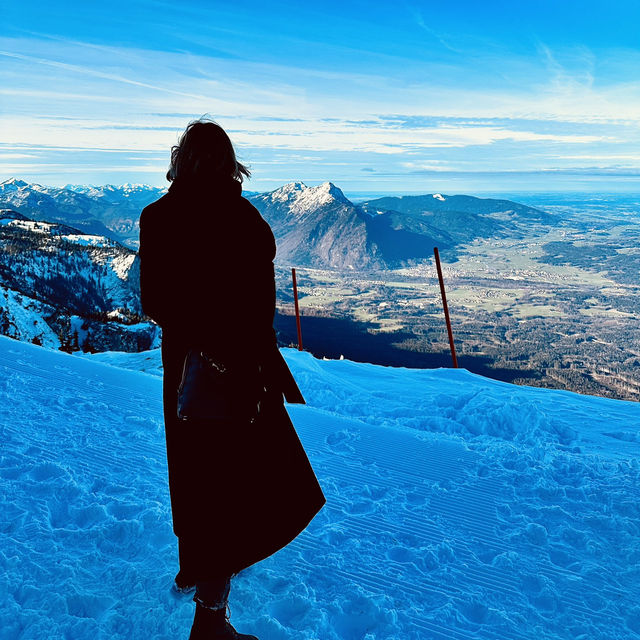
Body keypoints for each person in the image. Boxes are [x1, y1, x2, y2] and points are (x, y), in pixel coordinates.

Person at [138, 118, 326, 639]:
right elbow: (258, 310)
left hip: (184, 368)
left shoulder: (157, 217)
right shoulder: (247, 221)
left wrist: (197, 332)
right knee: (232, 481)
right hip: (240, 366)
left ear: (180, 161)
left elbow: (155, 301)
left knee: (192, 472)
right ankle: (210, 620)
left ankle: (195, 567)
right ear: (229, 163)